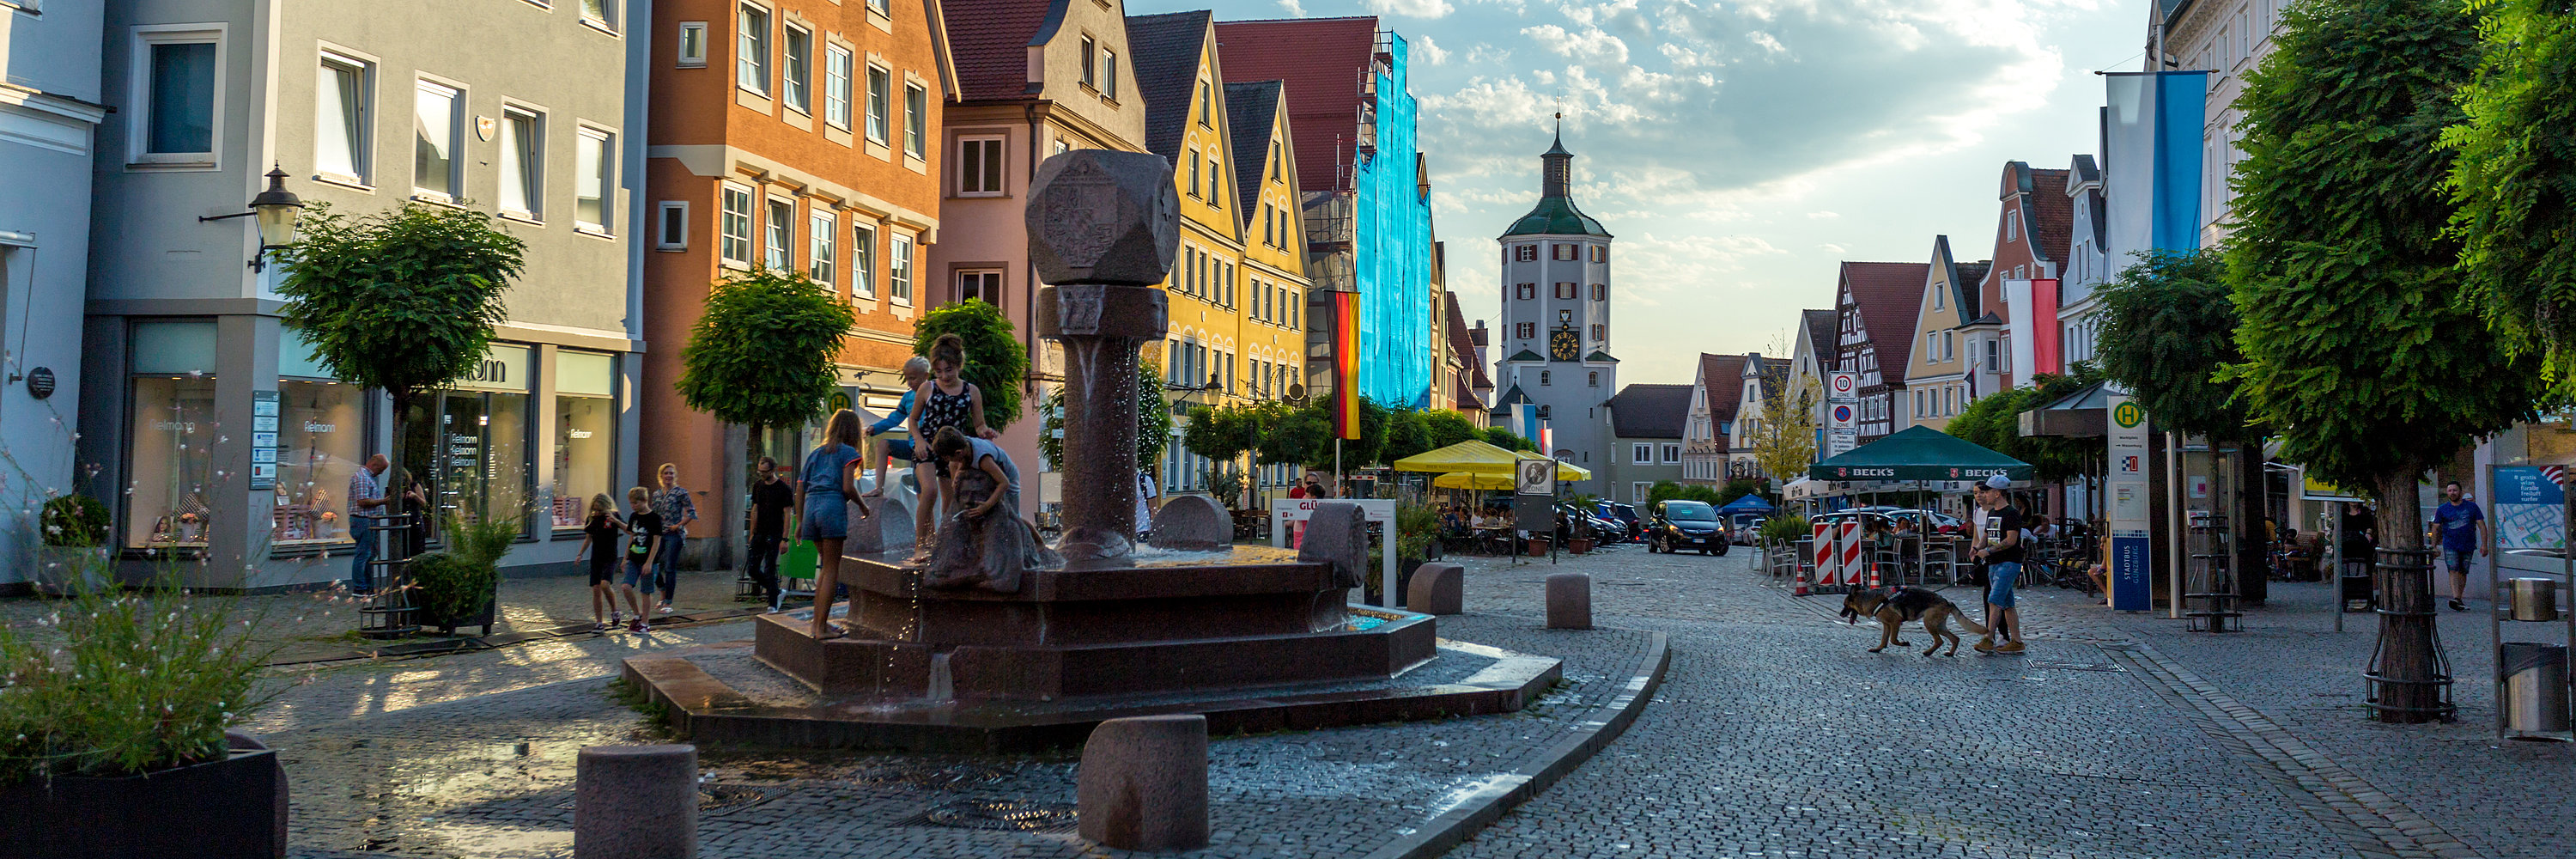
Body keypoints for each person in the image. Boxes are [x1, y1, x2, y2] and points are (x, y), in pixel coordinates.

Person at [924, 426, 1060, 592]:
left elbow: (1004, 483)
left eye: (948, 457)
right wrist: (957, 482)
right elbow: (954, 467)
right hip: (989, 476)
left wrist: (986, 506)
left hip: (1007, 478)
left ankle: (1037, 542)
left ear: (959, 452)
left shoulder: (983, 459)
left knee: (1012, 515)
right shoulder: (960, 454)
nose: (948, 461)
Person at [908, 334, 997, 553]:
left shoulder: (971, 391)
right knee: (929, 491)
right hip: (928, 446)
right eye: (939, 371)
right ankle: (920, 545)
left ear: (959, 366)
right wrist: (918, 440)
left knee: (950, 501)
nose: (944, 376)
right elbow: (912, 419)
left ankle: (944, 544)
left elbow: (979, 424)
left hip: (952, 451)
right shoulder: (927, 388)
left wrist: (985, 432)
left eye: (949, 370)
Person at [799, 410, 866, 639]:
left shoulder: (816, 453)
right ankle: (820, 629)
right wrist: (863, 506)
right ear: (854, 431)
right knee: (831, 570)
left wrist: (799, 522)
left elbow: (800, 488)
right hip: (831, 507)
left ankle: (818, 625)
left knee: (825, 569)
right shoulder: (848, 452)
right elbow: (848, 487)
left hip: (810, 509)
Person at [861, 356, 933, 503]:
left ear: (925, 376)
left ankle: (927, 524)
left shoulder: (934, 393)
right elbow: (895, 418)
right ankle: (879, 488)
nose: (909, 383)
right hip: (913, 447)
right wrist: (875, 428)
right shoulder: (908, 397)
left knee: (923, 495)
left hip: (928, 448)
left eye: (913, 378)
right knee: (883, 445)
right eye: (907, 379)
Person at [1971, 474, 2026, 654]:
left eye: (1987, 492)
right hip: (1994, 563)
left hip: (2008, 563)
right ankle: (2017, 642)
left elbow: (2011, 540)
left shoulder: (2011, 513)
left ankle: (1988, 638)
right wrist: (1978, 547)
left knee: (1994, 600)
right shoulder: (1993, 512)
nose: (1983, 495)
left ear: (1997, 493)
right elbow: (1988, 535)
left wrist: (1989, 551)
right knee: (2008, 605)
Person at [744, 456, 795, 612]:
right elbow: (755, 509)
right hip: (760, 532)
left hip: (775, 532)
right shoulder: (758, 486)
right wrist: (752, 532)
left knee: (770, 567)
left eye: (765, 471)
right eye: (760, 471)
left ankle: (773, 603)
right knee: (752, 568)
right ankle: (776, 591)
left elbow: (788, 514)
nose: (761, 474)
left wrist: (785, 538)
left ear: (773, 470)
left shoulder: (783, 489)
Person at [571, 493, 627, 631]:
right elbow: (588, 538)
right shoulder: (592, 519)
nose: (597, 512)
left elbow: (628, 529)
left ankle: (615, 610)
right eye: (595, 509)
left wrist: (615, 520)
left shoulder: (613, 516)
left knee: (605, 584)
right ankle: (599, 622)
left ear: (606, 507)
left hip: (610, 556)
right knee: (596, 589)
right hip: (596, 557)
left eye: (600, 510)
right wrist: (580, 554)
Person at [650, 463, 699, 615]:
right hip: (659, 533)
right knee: (652, 563)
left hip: (674, 534)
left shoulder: (680, 493)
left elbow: (691, 512)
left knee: (670, 567)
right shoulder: (657, 494)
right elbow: (653, 514)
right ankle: (662, 591)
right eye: (666, 473)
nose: (669, 476)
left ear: (675, 476)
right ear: (661, 476)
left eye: (671, 473)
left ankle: (668, 602)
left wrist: (679, 525)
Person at [2433, 480, 2488, 612]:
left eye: (2455, 490)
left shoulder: (2472, 507)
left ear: (2460, 492)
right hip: (2450, 545)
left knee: (2463, 571)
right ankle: (2456, 598)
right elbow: (2435, 528)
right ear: (2447, 493)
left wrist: (2484, 545)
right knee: (2453, 569)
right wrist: (2434, 546)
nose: (2452, 493)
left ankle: (2459, 598)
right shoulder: (2442, 509)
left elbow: (2481, 526)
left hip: (2468, 544)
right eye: (2450, 490)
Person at [618, 486, 663, 633]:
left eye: (635, 503)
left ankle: (645, 622)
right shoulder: (634, 516)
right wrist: (625, 558)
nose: (633, 506)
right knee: (626, 587)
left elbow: (657, 541)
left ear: (644, 501)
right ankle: (637, 614)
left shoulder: (655, 518)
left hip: (648, 561)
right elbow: (632, 537)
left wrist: (650, 562)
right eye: (631, 503)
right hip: (634, 558)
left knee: (646, 591)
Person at [346, 454, 389, 593]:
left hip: (368, 520)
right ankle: (360, 588)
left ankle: (368, 587)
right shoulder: (363, 478)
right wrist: (384, 501)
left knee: (369, 554)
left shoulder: (367, 477)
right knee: (363, 554)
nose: (381, 473)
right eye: (381, 470)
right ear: (374, 464)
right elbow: (363, 501)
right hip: (363, 520)